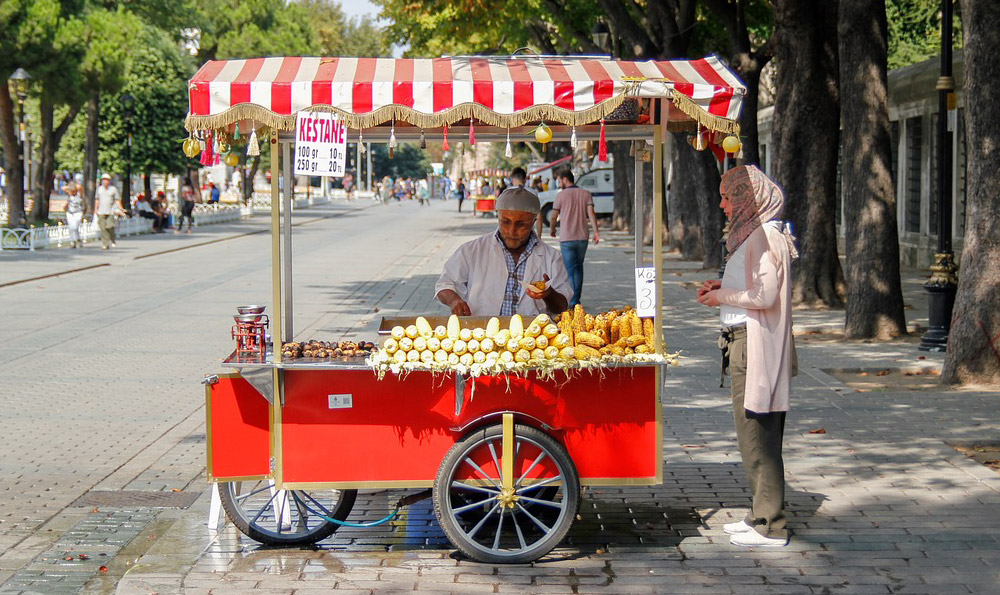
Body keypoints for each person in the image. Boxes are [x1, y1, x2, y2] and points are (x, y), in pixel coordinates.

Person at [696, 164, 798, 548]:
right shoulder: (755, 234)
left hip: (754, 343)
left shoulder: (766, 235)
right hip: (745, 339)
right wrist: (726, 285)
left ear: (747, 199)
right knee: (749, 430)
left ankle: (771, 524)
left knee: (759, 433)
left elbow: (765, 297)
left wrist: (722, 296)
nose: (722, 204)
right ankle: (759, 514)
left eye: (728, 196)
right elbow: (756, 285)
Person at [436, 187, 570, 317]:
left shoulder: (551, 257)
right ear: (498, 218)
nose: (512, 231)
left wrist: (549, 294)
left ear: (533, 221)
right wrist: (453, 300)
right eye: (505, 222)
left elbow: (562, 306)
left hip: (530, 336)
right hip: (483, 334)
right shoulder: (471, 250)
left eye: (521, 224)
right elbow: (445, 284)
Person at [549, 170, 599, 307]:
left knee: (570, 270)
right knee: (578, 268)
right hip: (582, 236)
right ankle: (576, 299)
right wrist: (596, 232)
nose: (559, 184)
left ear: (565, 179)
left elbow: (554, 216)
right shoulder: (586, 194)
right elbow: (591, 214)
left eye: (559, 181)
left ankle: (572, 301)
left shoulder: (560, 196)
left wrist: (552, 229)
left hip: (566, 237)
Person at [93, 173, 124, 250]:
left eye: (107, 180)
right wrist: (95, 209)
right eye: (104, 180)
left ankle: (112, 239)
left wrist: (120, 208)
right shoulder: (99, 189)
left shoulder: (113, 189)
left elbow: (117, 200)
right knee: (103, 228)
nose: (105, 181)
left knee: (110, 226)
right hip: (101, 211)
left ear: (109, 181)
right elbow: (97, 199)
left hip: (110, 211)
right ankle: (105, 243)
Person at [64, 182, 85, 248]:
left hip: (77, 212)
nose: (72, 192)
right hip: (70, 212)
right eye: (71, 191)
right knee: (71, 227)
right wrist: (69, 188)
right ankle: (73, 241)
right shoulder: (69, 195)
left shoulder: (79, 195)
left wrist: (74, 187)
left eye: (73, 191)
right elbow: (63, 188)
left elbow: (80, 187)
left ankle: (78, 239)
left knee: (75, 227)